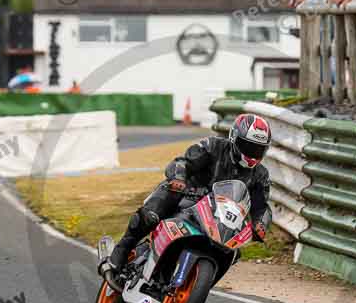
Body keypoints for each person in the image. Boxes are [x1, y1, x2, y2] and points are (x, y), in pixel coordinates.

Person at [104, 114, 273, 284]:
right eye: (248, 146)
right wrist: (179, 178)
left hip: (220, 219)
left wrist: (260, 224)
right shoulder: (212, 146)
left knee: (232, 252)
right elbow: (183, 162)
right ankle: (121, 251)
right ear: (234, 138)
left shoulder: (260, 175)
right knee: (151, 216)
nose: (252, 153)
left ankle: (196, 286)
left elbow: (261, 206)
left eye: (258, 149)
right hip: (189, 198)